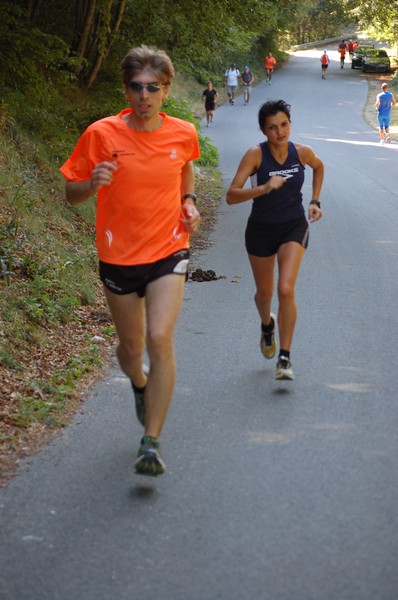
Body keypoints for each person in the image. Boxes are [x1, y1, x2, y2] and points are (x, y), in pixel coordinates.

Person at [60, 45, 201, 476]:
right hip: (118, 255)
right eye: (136, 88)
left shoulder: (182, 132)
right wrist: (91, 183)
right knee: (131, 347)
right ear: (126, 89)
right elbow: (71, 195)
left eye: (152, 88)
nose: (144, 96)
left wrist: (189, 201)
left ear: (165, 90)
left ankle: (151, 442)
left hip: (168, 248)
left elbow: (184, 168)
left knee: (159, 337)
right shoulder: (100, 134)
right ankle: (139, 384)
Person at [226, 100, 324, 380]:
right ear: (263, 130)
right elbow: (231, 195)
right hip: (260, 230)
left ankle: (285, 358)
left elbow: (319, 167)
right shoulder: (255, 155)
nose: (280, 132)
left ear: (290, 124)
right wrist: (263, 188)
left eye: (284, 124)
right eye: (272, 127)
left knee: (285, 289)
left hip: (293, 226)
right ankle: (267, 326)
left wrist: (315, 200)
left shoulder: (302, 152)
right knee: (265, 295)